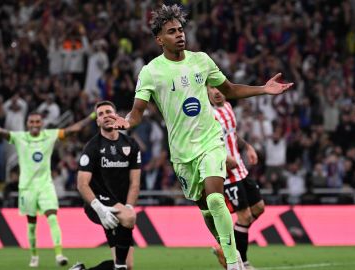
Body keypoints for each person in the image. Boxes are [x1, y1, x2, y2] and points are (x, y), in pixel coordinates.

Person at [109, 4, 292, 270]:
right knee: (206, 209)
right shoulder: (151, 72)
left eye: (181, 29)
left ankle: (234, 263)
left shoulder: (202, 60)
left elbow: (228, 90)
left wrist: (264, 89)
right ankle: (227, 247)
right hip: (182, 154)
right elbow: (138, 112)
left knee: (217, 199)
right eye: (171, 32)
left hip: (210, 142)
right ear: (160, 39)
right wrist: (126, 122)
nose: (179, 35)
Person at [0, 107, 97, 267]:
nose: (35, 124)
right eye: (32, 122)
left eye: (38, 121)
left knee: (52, 217)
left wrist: (93, 114)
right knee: (32, 225)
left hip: (45, 186)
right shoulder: (19, 137)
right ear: (27, 124)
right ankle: (34, 255)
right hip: (27, 188)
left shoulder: (50, 135)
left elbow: (74, 129)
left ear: (42, 123)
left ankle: (59, 255)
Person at [70, 101, 141, 270]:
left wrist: (129, 206)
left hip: (120, 205)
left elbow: (135, 183)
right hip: (97, 202)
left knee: (128, 266)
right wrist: (99, 208)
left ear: (116, 115)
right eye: (100, 114)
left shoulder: (131, 145)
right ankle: (120, 266)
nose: (105, 115)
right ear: (98, 122)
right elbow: (82, 184)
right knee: (129, 218)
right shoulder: (92, 147)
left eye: (108, 111)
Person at [208, 86, 265, 270]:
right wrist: (224, 158)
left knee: (259, 208)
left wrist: (248, 147)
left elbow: (231, 134)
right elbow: (205, 144)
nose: (216, 92)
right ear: (207, 92)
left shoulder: (228, 108)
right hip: (226, 175)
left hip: (240, 169)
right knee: (245, 217)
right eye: (211, 88)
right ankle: (243, 263)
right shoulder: (208, 116)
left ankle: (224, 247)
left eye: (219, 88)